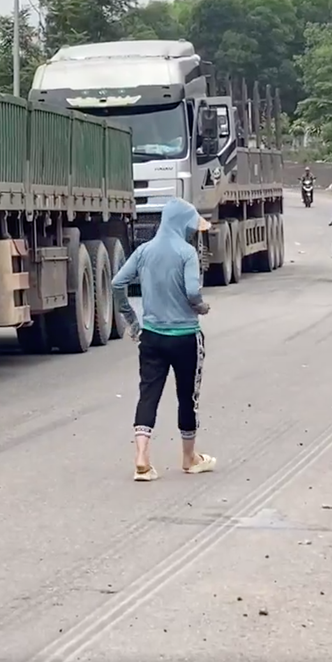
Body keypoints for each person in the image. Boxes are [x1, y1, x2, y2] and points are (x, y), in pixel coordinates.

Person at [112, 198, 216, 482]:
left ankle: (142, 458)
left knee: (148, 394)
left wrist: (132, 322)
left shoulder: (144, 251)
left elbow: (117, 283)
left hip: (152, 337)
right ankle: (189, 458)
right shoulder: (187, 253)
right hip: (185, 338)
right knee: (187, 397)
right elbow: (194, 291)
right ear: (183, 224)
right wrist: (200, 307)